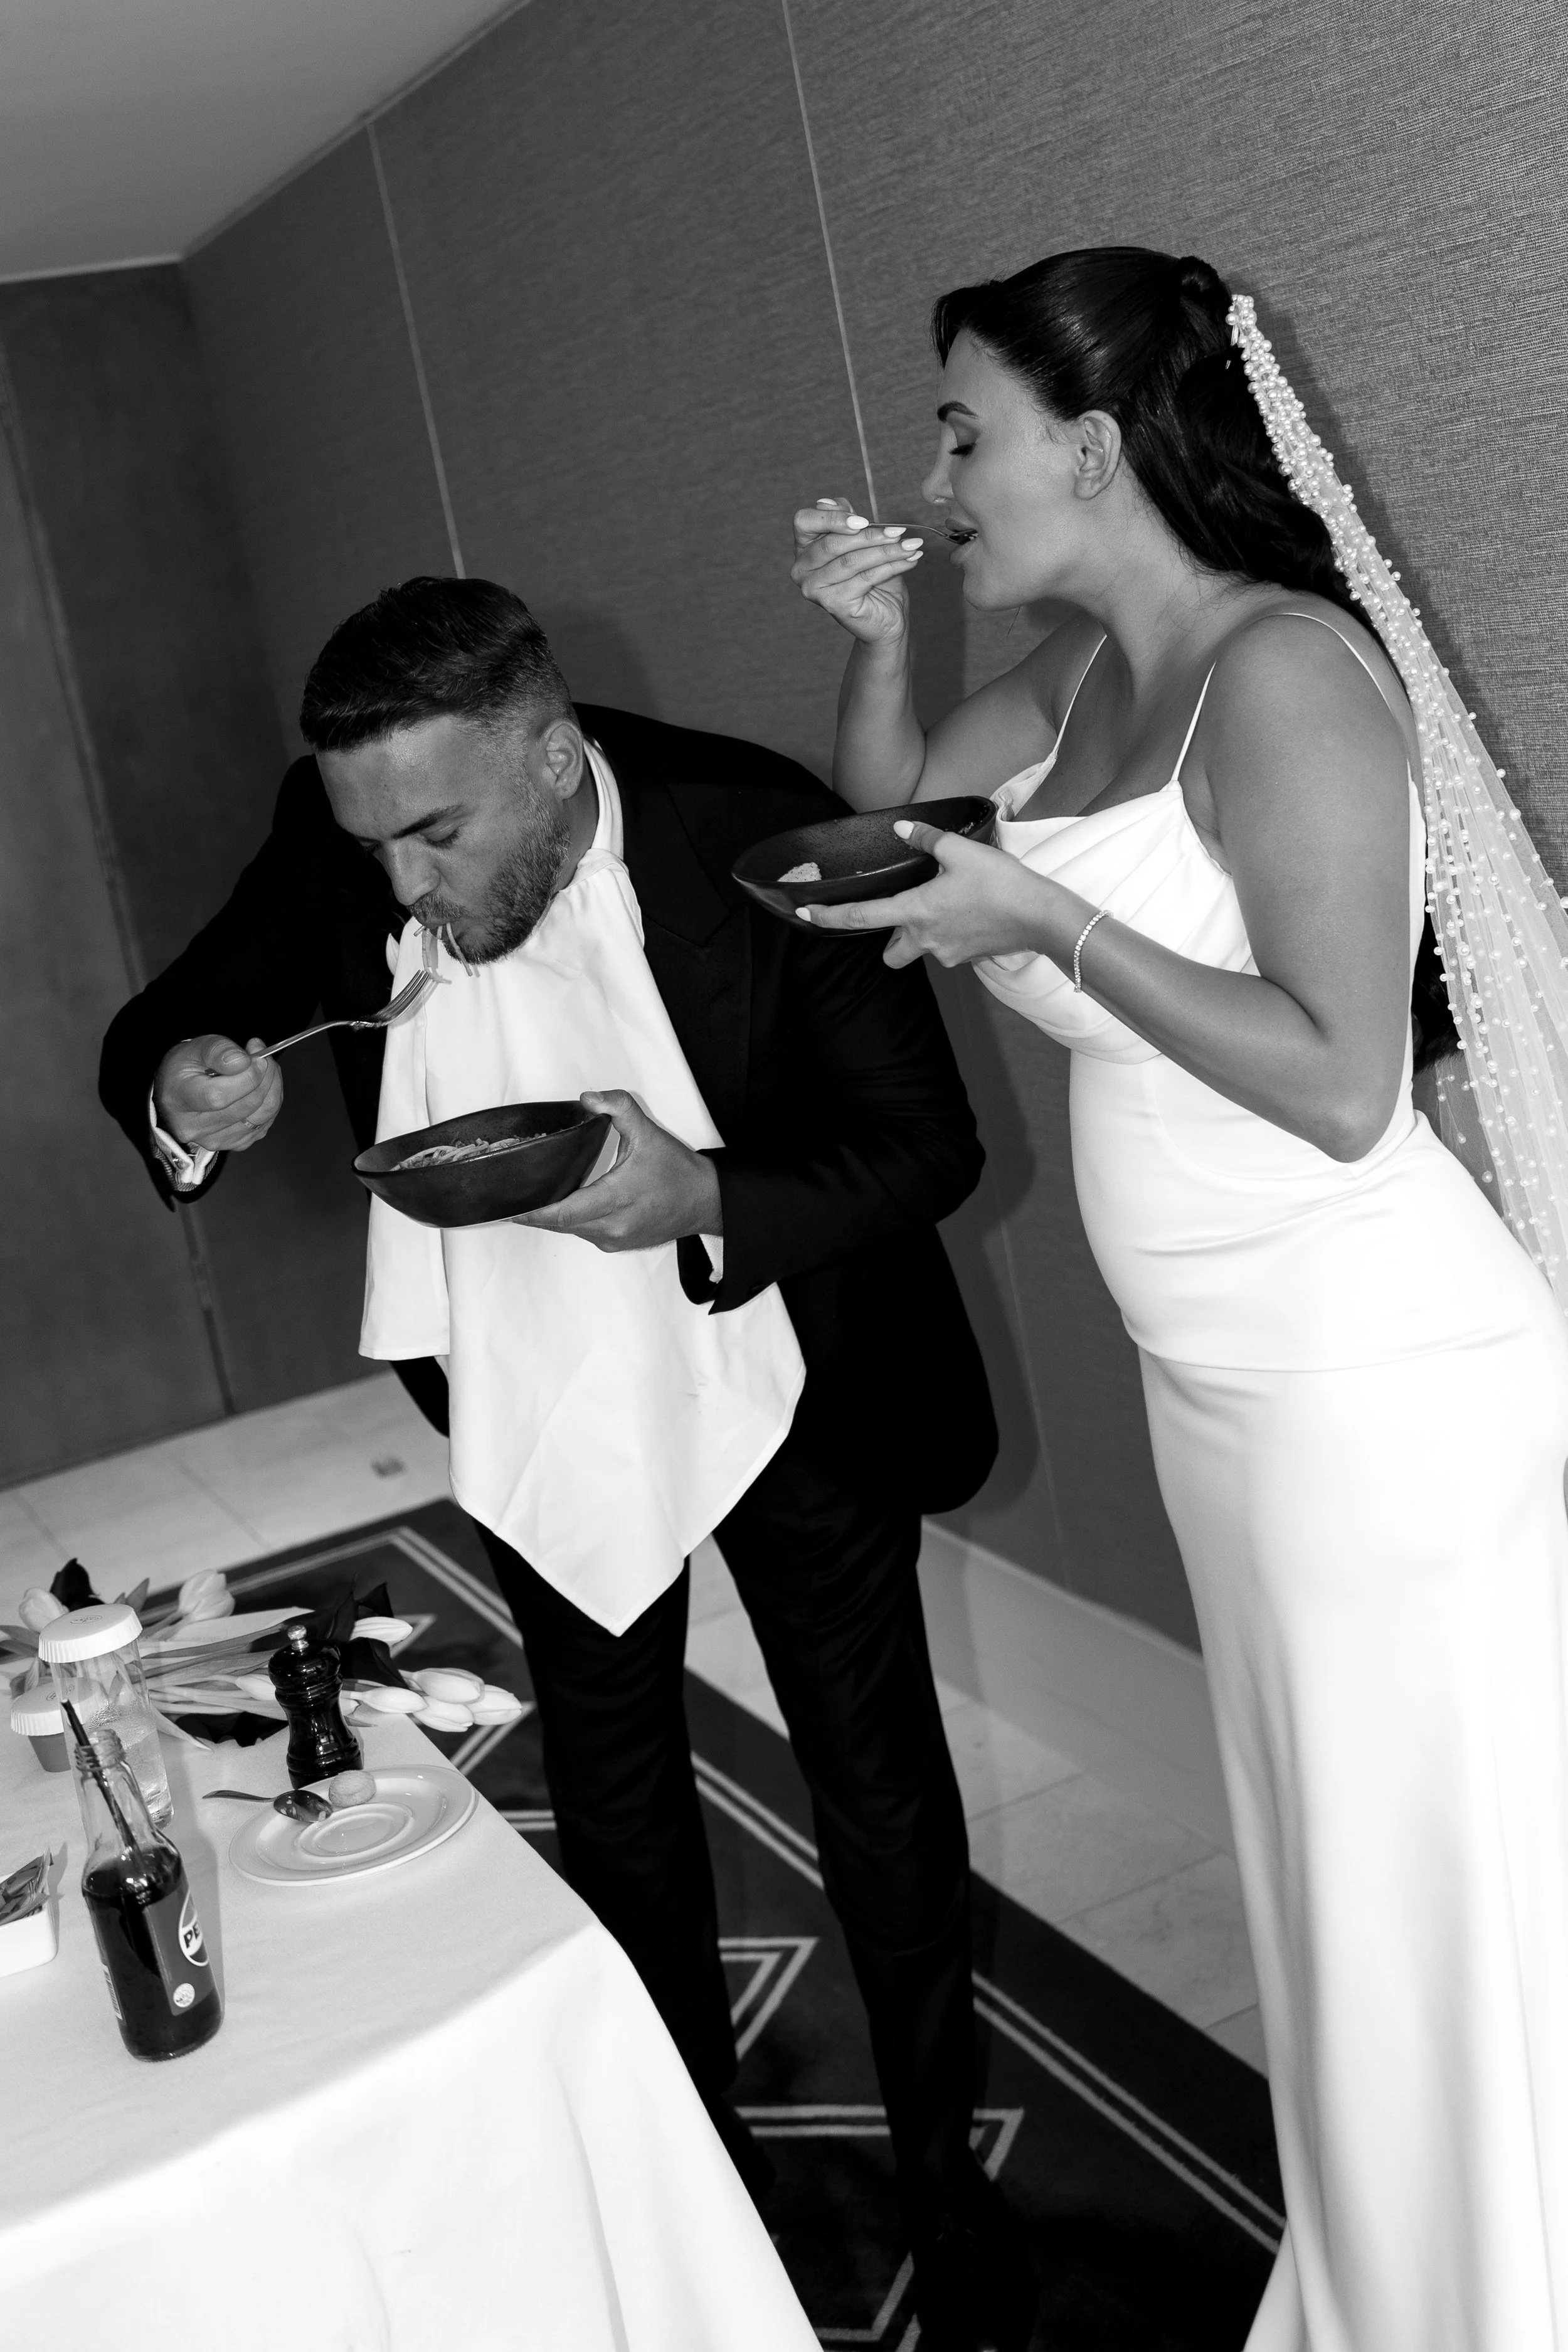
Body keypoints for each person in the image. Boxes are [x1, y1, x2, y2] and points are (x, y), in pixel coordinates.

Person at [98, 577, 1037, 2352]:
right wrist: (194, 1085)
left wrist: (700, 1194)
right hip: (535, 1380)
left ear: (547, 751)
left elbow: (924, 1144)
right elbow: (165, 1027)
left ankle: (943, 2180)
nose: (400, 888)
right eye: (372, 842)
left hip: (783, 1359)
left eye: (436, 835)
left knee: (881, 1790)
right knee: (612, 1795)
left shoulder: (750, 828)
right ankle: (684, 2171)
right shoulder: (349, 831)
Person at [788, 246, 1568, 2352]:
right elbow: (887, 824)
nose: (937, 468)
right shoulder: (1071, 679)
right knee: (1327, 1887)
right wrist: (882, 639)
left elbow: (1333, 1077)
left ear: (1099, 443)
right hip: (1226, 1393)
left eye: (966, 428)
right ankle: (1394, 2285)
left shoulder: (1280, 671)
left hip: (1377, 1391)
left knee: (1427, 1902)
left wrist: (1042, 913)